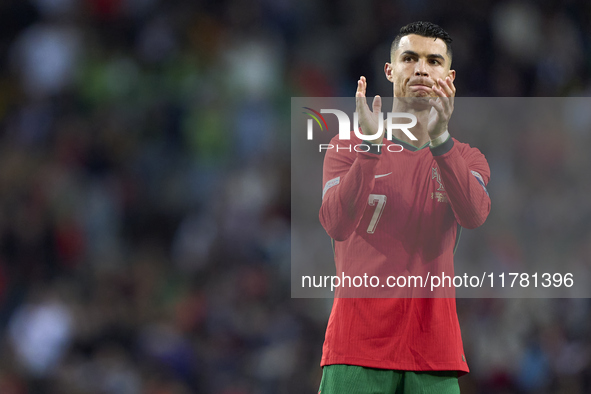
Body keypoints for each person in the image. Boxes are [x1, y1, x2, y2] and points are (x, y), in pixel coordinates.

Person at [317, 21, 491, 393]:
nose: (422, 69)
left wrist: (441, 139)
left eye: (434, 60)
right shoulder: (346, 146)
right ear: (390, 69)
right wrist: (370, 149)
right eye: (409, 58)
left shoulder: (467, 158)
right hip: (356, 346)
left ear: (450, 75)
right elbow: (334, 224)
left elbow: (475, 215)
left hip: (434, 351)